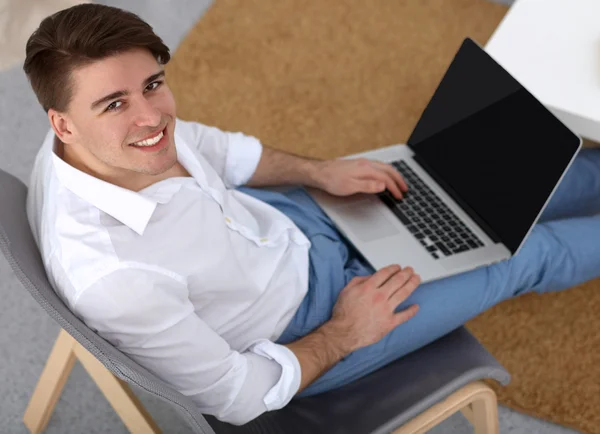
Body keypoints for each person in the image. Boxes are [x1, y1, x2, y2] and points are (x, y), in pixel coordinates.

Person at [23, 3, 600, 426]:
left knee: (456, 180)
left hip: (284, 226)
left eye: (153, 85)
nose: (152, 118)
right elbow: (237, 397)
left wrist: (319, 173)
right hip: (309, 326)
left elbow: (219, 150)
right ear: (63, 122)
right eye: (116, 104)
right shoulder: (117, 280)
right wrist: (344, 333)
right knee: (522, 258)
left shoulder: (85, 145)